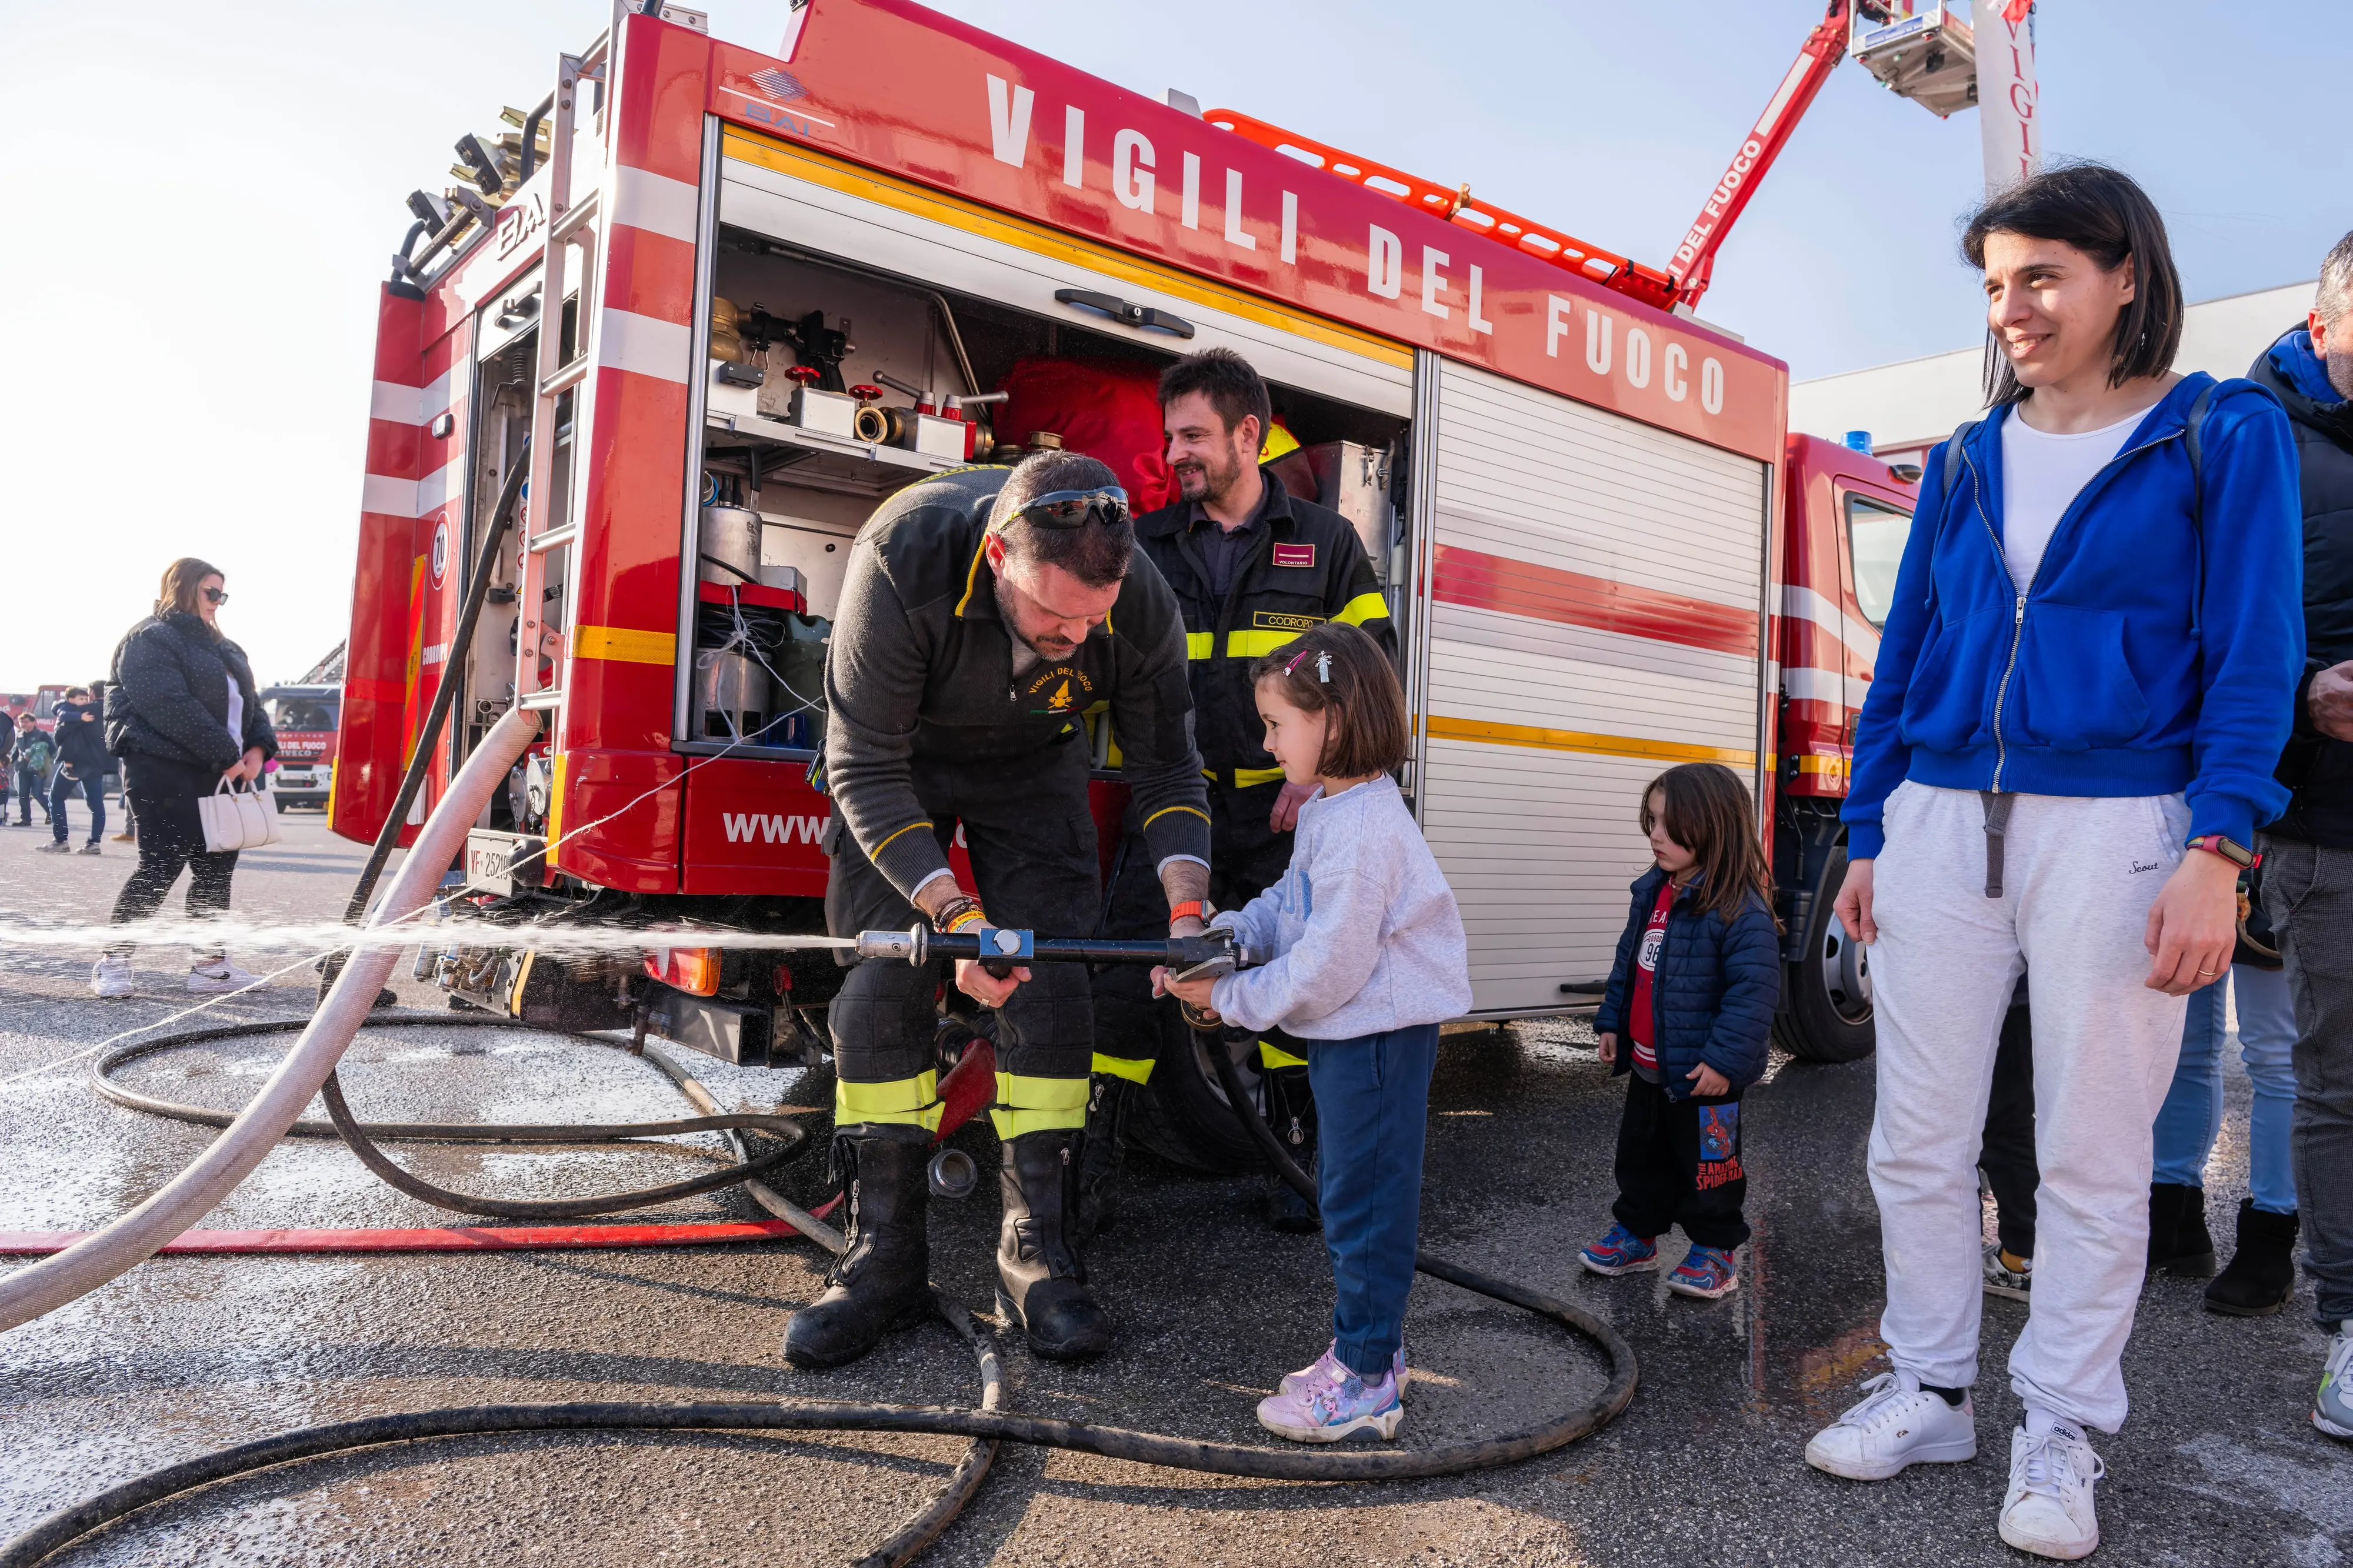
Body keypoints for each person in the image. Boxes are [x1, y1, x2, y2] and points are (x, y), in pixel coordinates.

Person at [1805, 164, 2303, 1562]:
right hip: (1936, 821)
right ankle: (1932, 1384)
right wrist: (1865, 826)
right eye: (1992, 285)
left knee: (2088, 1152)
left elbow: (2251, 652)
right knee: (1914, 1134)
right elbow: (1903, 654)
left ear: (2122, 275)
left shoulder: (2220, 432)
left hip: (2126, 822)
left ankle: (2062, 1424)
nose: (2010, 308)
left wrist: (2218, 843)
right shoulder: (1964, 458)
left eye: (2038, 276)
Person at [788, 451, 1211, 1370]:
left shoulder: (1133, 603)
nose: (1070, 635)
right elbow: (864, 765)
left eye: (1088, 620)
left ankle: (1036, 1253)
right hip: (900, 763)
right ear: (995, 556)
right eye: (1050, 612)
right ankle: (886, 1256)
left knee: (1051, 986)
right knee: (879, 989)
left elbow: (1170, 769)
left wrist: (1189, 913)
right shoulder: (904, 558)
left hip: (1033, 763)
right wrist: (950, 911)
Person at [1088, 348, 1396, 1235]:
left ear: (1247, 434)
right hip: (1169, 811)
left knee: (1296, 983)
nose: (1175, 453)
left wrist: (1324, 776)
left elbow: (1370, 674)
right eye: (1169, 436)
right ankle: (1095, 1157)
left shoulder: (1328, 544)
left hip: (1278, 817)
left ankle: (1303, 1162)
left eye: (1192, 435)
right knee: (1129, 981)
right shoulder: (1142, 543)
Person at [1153, 622, 1469, 1443]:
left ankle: (1366, 1379)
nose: (1265, 741)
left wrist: (1228, 995)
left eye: (1275, 724)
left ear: (1332, 718)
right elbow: (1290, 905)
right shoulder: (1341, 808)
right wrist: (1226, 939)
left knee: (1362, 1203)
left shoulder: (1364, 832)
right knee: (1348, 1193)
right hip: (1356, 1034)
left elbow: (1328, 964)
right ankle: (1373, 1349)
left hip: (1374, 1037)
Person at [2249, 226, 2353, 1440]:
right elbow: (2194, 632)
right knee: (2337, 1082)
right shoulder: (2249, 441)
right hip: (2328, 823)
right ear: (2322, 320)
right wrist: (2300, 699)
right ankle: (2348, 1323)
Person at [1578, 763, 1779, 1300]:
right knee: (1641, 1157)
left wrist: (1723, 1063)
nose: (1655, 835)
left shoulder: (1741, 911)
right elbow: (1629, 965)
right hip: (1649, 1063)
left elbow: (1751, 996)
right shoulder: (1653, 894)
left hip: (1703, 1074)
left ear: (1714, 826)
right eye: (1652, 821)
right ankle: (1639, 1236)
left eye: (1670, 824)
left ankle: (1715, 1250)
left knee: (1710, 1168)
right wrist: (1612, 1023)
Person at [93, 559, 278, 998]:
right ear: (185, 588)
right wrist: (229, 755)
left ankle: (210, 966)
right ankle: (112, 961)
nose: (218, 602)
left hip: (220, 772)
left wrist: (258, 748)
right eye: (211, 592)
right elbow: (170, 707)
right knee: (159, 867)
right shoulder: (149, 639)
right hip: (162, 770)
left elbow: (251, 704)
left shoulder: (225, 648)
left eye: (223, 595)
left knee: (215, 872)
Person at [2148, 961, 2301, 1313]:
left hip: (2272, 905)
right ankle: (2174, 1222)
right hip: (2189, 904)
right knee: (2181, 1042)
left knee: (2274, 1052)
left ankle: (2270, 1237)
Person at [36, 687, 109, 855]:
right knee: (96, 803)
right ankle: (94, 843)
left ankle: (61, 840)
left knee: (56, 797)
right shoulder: (109, 710)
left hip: (76, 762)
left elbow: (61, 732)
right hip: (98, 764)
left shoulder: (79, 711)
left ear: (92, 693)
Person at [9, 713, 52, 827]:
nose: (24, 724)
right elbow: (16, 751)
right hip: (22, 769)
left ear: (34, 722)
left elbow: (53, 750)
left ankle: (51, 813)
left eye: (27, 722)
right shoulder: (19, 735)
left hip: (38, 769)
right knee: (23, 795)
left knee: (37, 794)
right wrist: (9, 761)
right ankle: (26, 820)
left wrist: (40, 756)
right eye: (22, 722)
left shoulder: (42, 735)